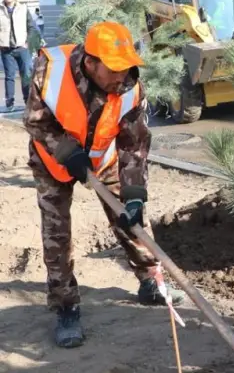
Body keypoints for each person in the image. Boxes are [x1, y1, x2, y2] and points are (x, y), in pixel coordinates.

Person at [23, 21, 183, 348]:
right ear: (91, 62)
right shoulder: (50, 69)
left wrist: (135, 194)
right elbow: (36, 121)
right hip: (53, 160)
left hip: (103, 158)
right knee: (57, 233)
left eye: (126, 69)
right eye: (114, 70)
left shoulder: (130, 88)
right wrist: (68, 153)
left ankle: (151, 281)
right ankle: (66, 306)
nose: (121, 77)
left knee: (133, 219)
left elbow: (134, 144)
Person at [0, 0, 42, 112]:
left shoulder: (23, 9)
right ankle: (10, 103)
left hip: (22, 48)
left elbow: (31, 27)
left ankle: (28, 101)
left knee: (26, 75)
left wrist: (27, 42)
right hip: (6, 49)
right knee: (9, 76)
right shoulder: (0, 10)